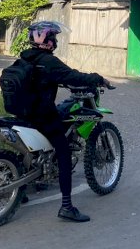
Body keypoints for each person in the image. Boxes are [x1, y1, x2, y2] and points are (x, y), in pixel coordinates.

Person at [21, 21, 111, 223]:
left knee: (29, 149)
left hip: (23, 114)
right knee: (64, 153)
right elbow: (74, 76)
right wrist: (98, 78)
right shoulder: (49, 62)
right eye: (53, 37)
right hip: (42, 116)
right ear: (47, 40)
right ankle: (67, 206)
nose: (55, 41)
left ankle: (21, 191)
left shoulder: (25, 59)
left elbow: (46, 80)